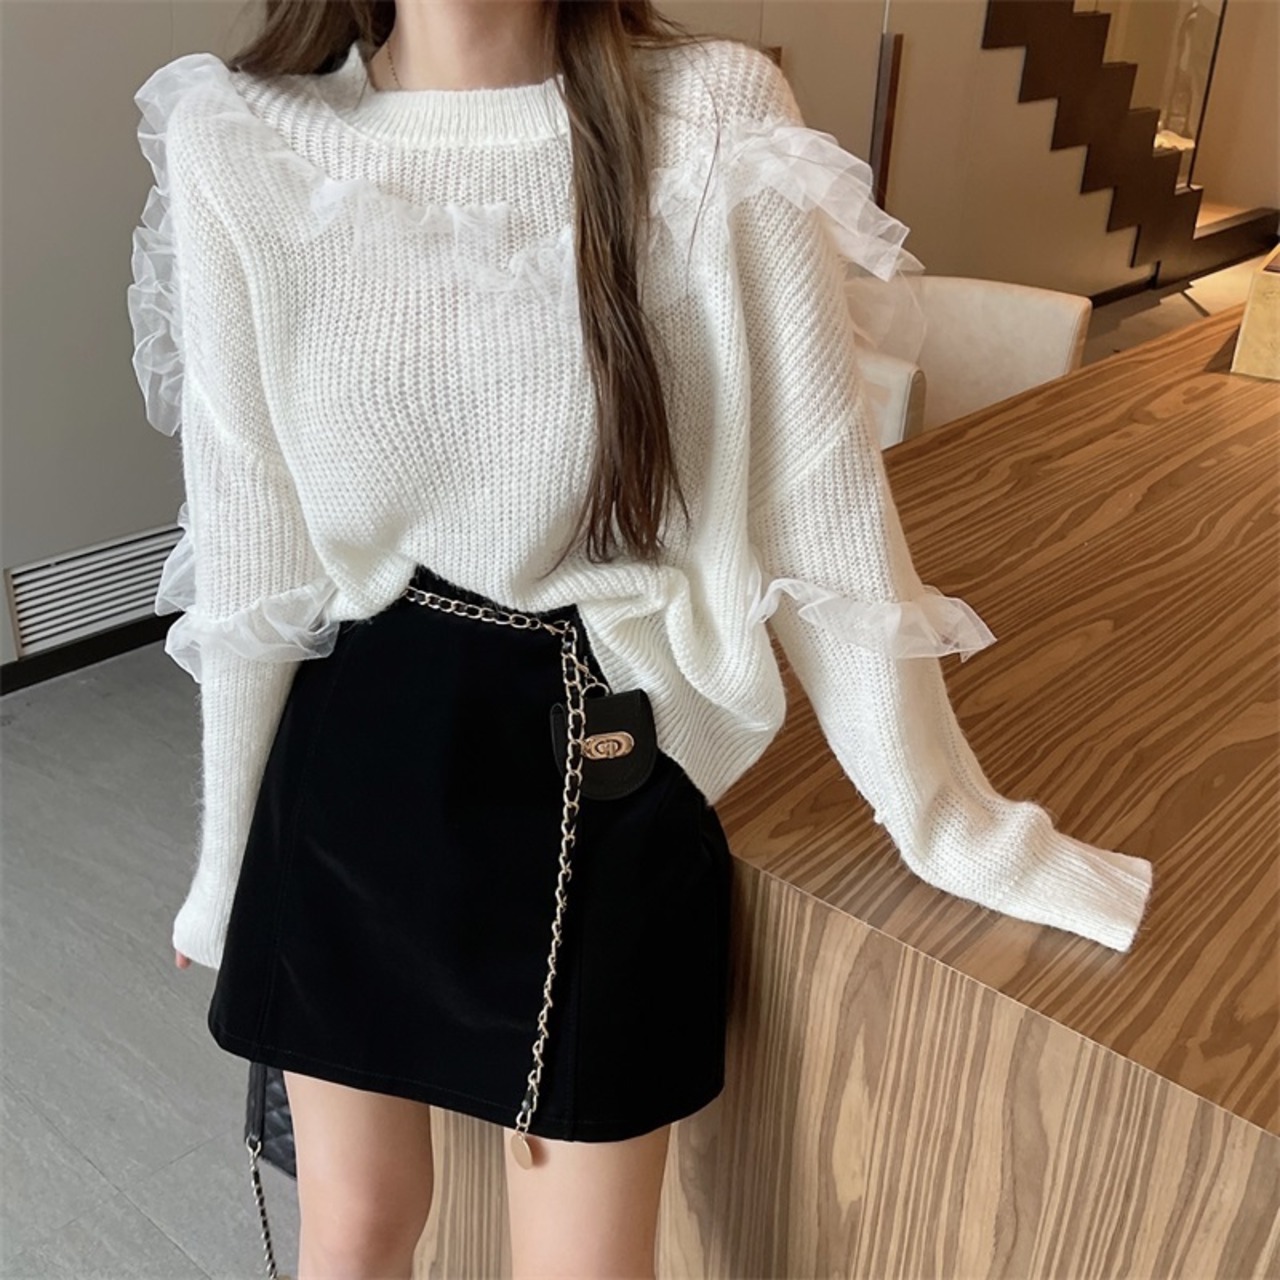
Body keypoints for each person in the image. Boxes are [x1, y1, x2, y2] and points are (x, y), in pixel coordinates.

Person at [126, 1, 1155, 1275]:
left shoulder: (708, 113)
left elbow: (820, 505)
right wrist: (224, 865)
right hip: (348, 766)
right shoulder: (242, 135)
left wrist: (942, 815)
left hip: (598, 758)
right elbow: (252, 548)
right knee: (356, 1225)